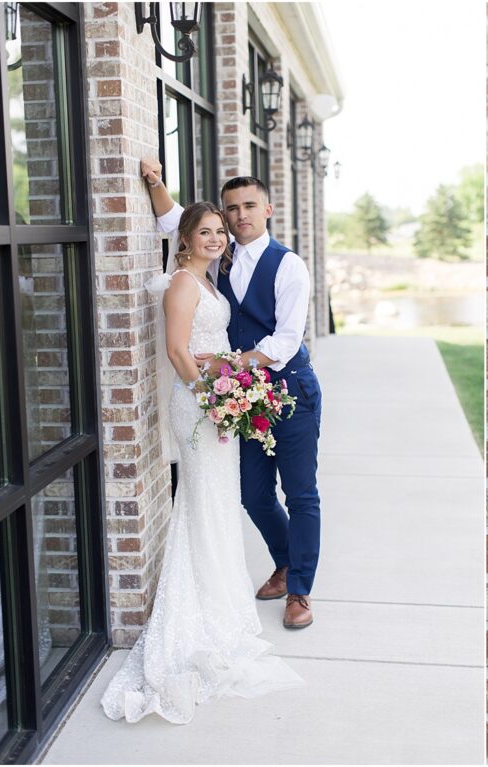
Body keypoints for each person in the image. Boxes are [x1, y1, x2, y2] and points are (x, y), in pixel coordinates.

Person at [100, 203, 303, 723]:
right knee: (204, 498)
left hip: (216, 396)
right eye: (204, 232)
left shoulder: (207, 282)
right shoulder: (184, 285)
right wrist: (212, 395)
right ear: (185, 240)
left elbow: (207, 346)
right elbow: (175, 349)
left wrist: (228, 382)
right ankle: (205, 608)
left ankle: (222, 599)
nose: (216, 238)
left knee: (212, 500)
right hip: (199, 404)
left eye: (220, 231)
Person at [140, 159, 323, 631]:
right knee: (253, 493)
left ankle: (299, 589)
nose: (239, 216)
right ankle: (284, 562)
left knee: (300, 494)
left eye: (248, 207)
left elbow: (286, 340)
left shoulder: (289, 265)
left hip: (288, 390)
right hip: (236, 396)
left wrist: (230, 365)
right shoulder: (216, 258)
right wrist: (156, 183)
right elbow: (176, 221)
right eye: (231, 209)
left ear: (268, 209)